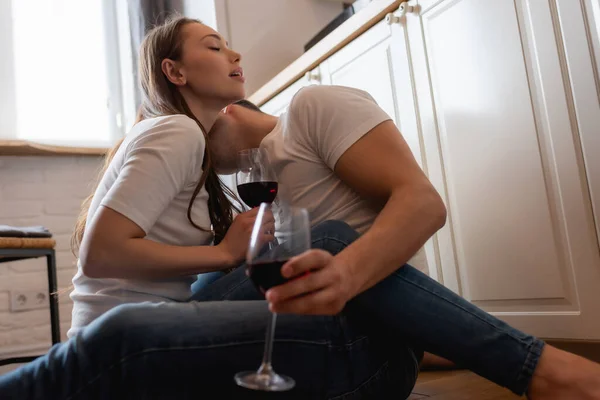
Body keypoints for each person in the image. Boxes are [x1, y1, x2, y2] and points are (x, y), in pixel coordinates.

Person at [0, 16, 421, 400]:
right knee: (330, 240)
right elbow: (100, 253)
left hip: (145, 326)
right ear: (175, 72)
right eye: (214, 47)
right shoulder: (179, 132)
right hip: (120, 340)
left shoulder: (189, 144)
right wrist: (224, 253)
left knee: (324, 245)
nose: (235, 54)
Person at [202, 87, 600, 400]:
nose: (196, 150)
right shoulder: (262, 176)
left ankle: (540, 368)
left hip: (369, 358)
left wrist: (345, 273)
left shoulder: (308, 107)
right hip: (349, 343)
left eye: (194, 131)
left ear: (226, 109)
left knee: (329, 241)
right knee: (220, 277)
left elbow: (425, 205)